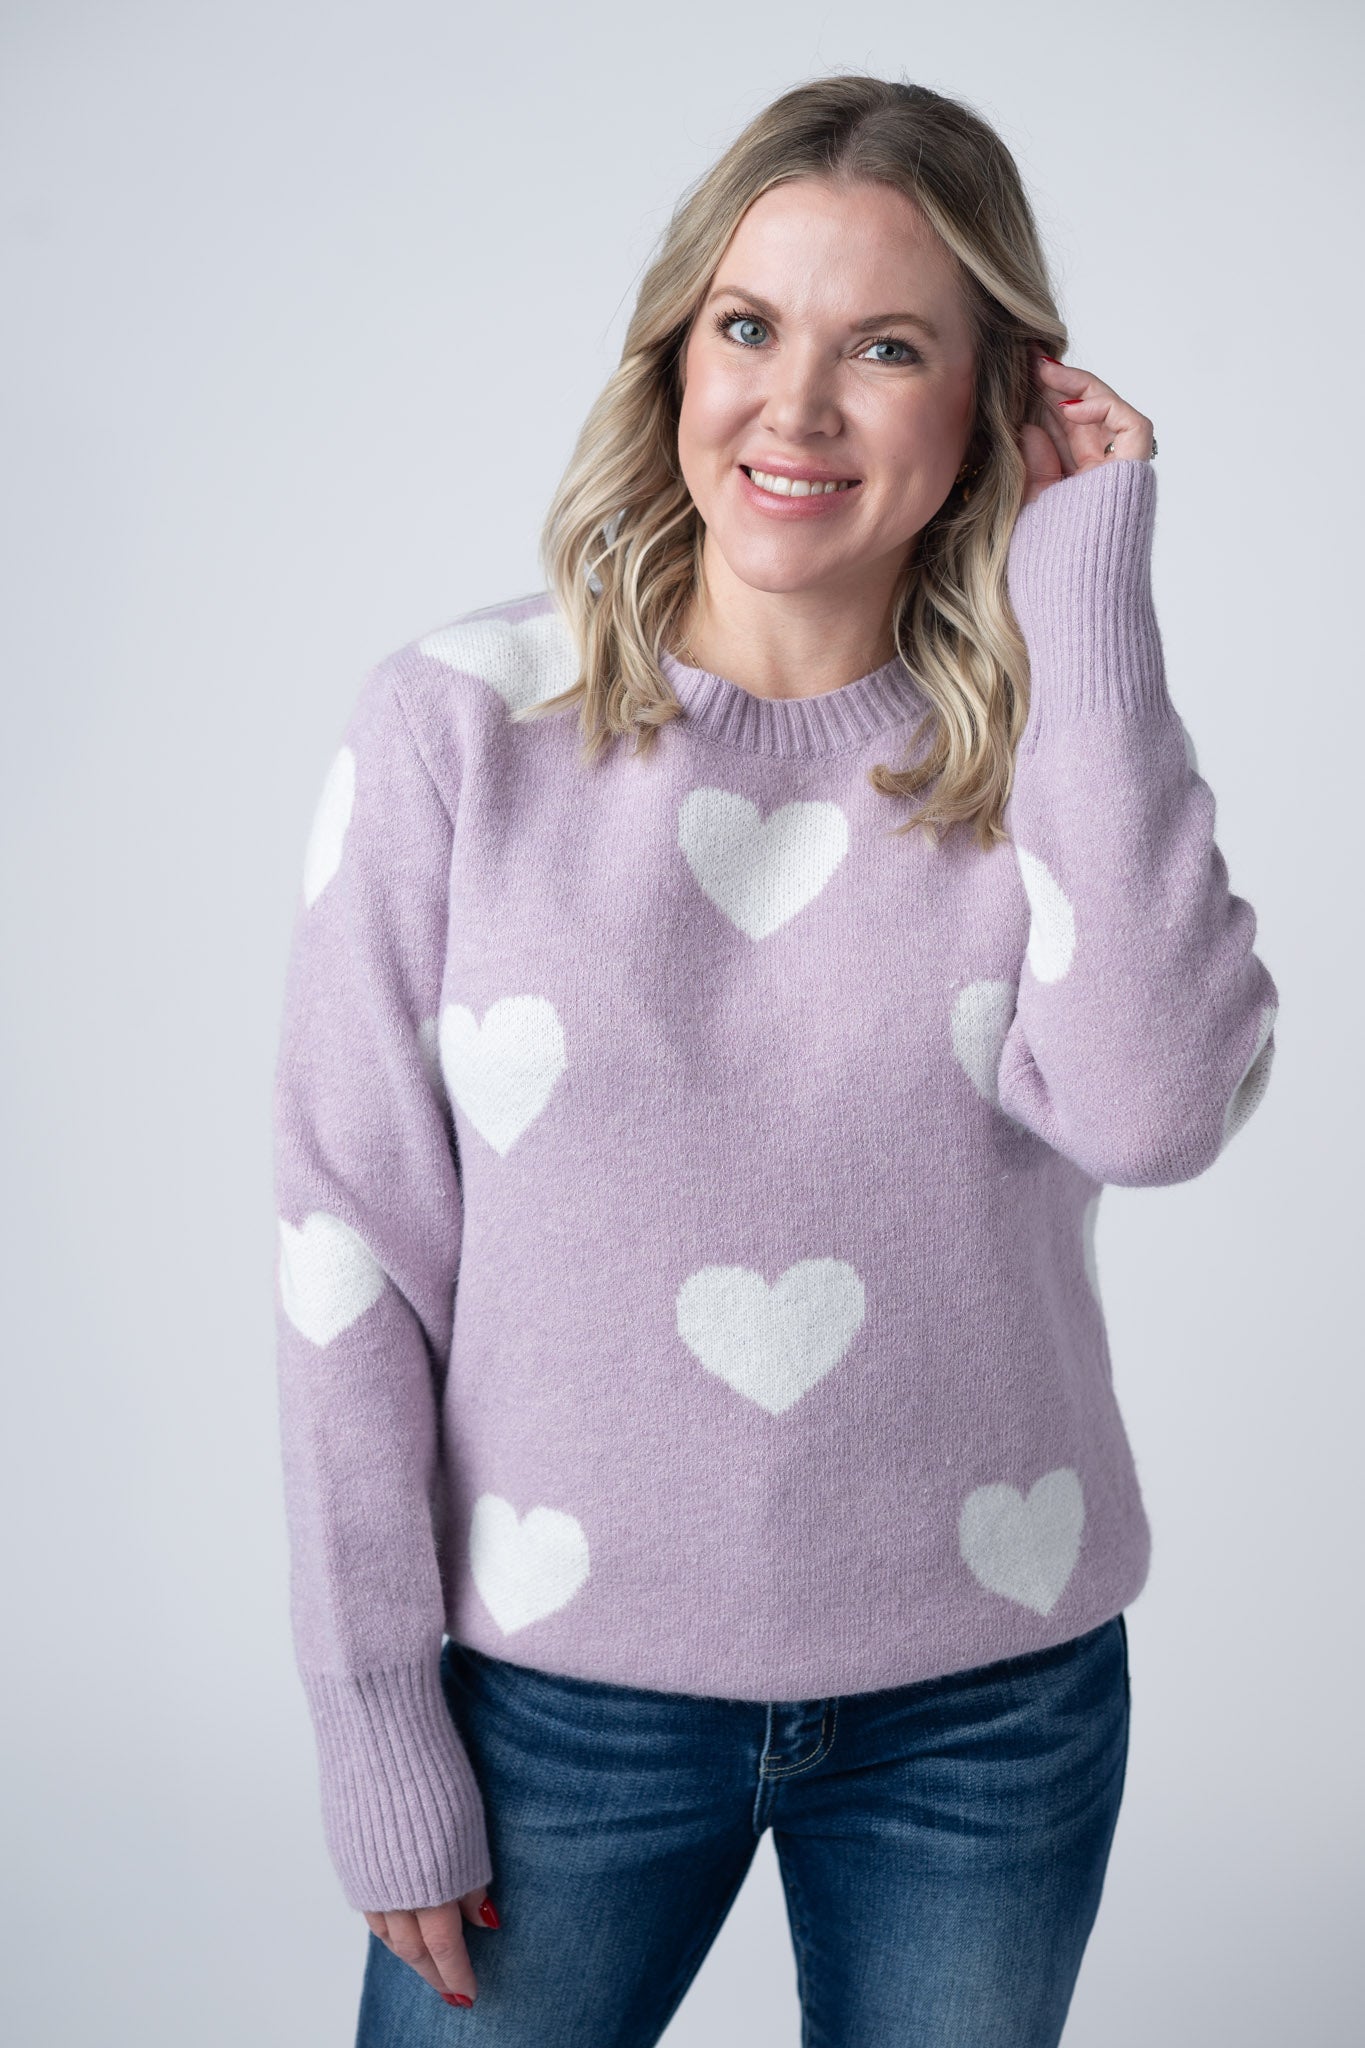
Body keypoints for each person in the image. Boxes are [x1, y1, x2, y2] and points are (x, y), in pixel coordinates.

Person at [271, 72, 1278, 2047]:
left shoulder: (1046, 773)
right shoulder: (457, 733)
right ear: (672, 357)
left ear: (985, 404)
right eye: (748, 328)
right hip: (554, 1703)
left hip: (985, 1708)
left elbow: (1159, 1110)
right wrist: (378, 1724)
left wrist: (1085, 592)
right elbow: (347, 1262)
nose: (792, 409)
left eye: (882, 347)